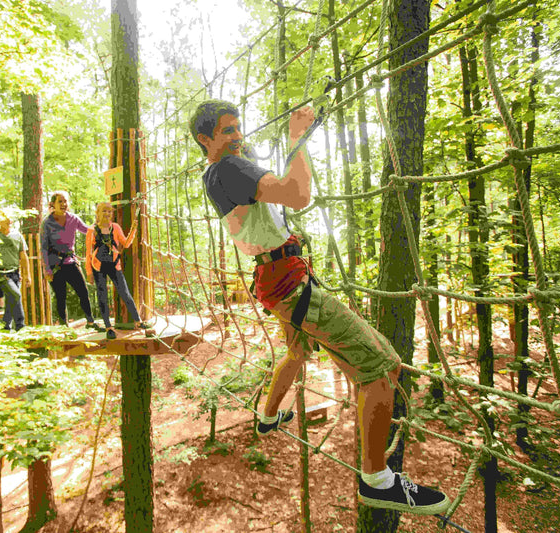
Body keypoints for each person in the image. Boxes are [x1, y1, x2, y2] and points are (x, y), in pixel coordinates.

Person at [189, 100, 450, 516]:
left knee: (297, 352)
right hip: (291, 286)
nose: (238, 136)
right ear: (205, 139)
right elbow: (299, 194)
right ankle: (377, 481)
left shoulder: (222, 170)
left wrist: (286, 139)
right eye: (227, 131)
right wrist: (298, 137)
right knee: (382, 366)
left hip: (277, 281)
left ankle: (268, 414)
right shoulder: (230, 169)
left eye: (239, 128)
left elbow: (272, 181)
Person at [85, 202, 152, 339]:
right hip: (98, 266)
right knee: (102, 295)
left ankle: (138, 321)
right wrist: (89, 272)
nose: (107, 214)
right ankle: (108, 327)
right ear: (98, 213)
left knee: (125, 293)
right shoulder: (92, 230)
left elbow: (126, 243)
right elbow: (88, 253)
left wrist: (133, 230)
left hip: (114, 264)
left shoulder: (115, 228)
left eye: (110, 212)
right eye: (104, 211)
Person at [40, 190, 99, 329]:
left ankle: (90, 321)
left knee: (83, 291)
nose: (63, 204)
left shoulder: (73, 219)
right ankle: (63, 327)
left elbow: (87, 230)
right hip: (55, 264)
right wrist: (46, 268)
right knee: (60, 296)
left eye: (65, 201)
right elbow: (43, 247)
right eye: (60, 201)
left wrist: (100, 225)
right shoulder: (47, 223)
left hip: (70, 262)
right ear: (53, 204)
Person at [0, 213, 31, 332]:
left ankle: (5, 326)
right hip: (0, 273)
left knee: (11, 299)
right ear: (0, 220)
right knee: (16, 295)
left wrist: (27, 275)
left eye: (10, 218)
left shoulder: (17, 235)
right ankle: (21, 326)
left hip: (15, 273)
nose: (9, 220)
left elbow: (23, 256)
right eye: (5, 218)